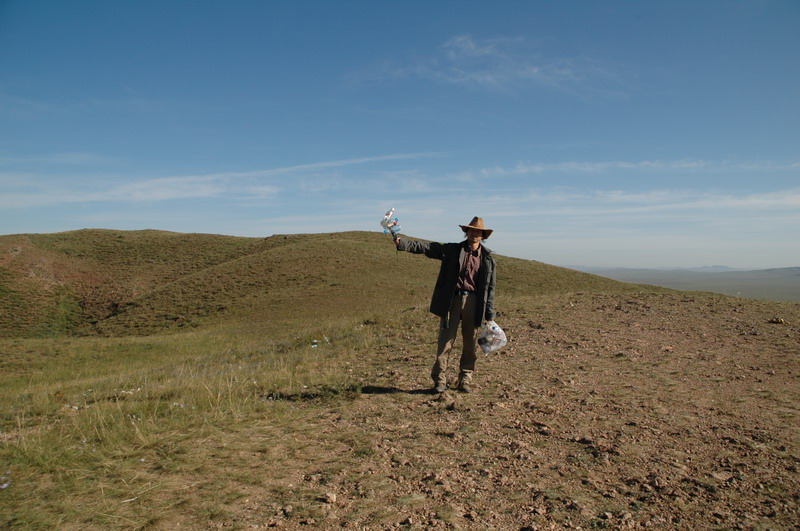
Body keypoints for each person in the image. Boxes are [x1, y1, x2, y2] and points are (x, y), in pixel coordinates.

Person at [394, 216, 497, 393]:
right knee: (445, 342)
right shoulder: (452, 250)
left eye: (478, 232)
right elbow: (427, 248)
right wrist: (402, 243)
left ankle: (465, 379)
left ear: (482, 236)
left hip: (474, 302)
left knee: (470, 343)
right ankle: (439, 380)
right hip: (452, 300)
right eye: (471, 230)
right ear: (466, 232)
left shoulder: (488, 258)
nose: (474, 234)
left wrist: (489, 314)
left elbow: (490, 288)